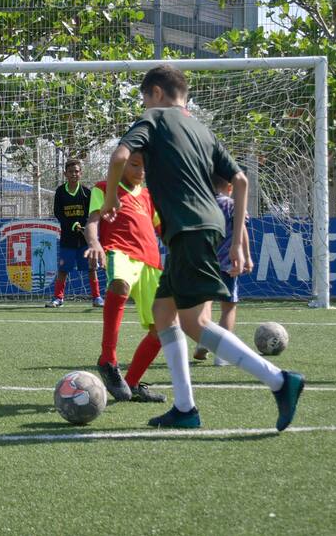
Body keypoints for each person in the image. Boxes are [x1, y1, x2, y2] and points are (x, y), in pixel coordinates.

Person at [102, 65, 304, 430]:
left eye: (145, 98)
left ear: (157, 93)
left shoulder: (154, 118)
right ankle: (184, 408)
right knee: (164, 313)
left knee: (195, 323)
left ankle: (279, 380)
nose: (144, 105)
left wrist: (109, 199)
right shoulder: (201, 128)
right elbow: (240, 180)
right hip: (201, 227)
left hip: (189, 228)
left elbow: (118, 158)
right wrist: (238, 239)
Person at [84, 151, 166, 404]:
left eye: (145, 166)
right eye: (135, 165)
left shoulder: (149, 196)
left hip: (151, 262)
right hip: (120, 251)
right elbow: (93, 220)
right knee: (119, 284)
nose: (141, 171)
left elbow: (163, 229)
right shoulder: (105, 188)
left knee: (162, 329)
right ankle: (108, 359)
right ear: (120, 164)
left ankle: (132, 383)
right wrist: (95, 242)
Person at [193, 175, 248, 366]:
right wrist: (247, 257)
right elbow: (242, 231)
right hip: (227, 264)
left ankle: (204, 341)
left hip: (204, 263)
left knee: (206, 303)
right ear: (230, 187)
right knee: (228, 307)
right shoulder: (233, 205)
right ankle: (222, 355)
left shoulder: (202, 204)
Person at [47, 159, 103, 308]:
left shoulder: (86, 192)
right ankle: (58, 298)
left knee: (91, 268)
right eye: (70, 171)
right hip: (67, 238)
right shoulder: (60, 192)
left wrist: (86, 226)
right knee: (63, 269)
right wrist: (72, 224)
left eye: (76, 171)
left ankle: (97, 297)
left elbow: (92, 213)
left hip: (85, 239)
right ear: (65, 173)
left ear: (81, 173)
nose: (74, 174)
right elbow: (58, 213)